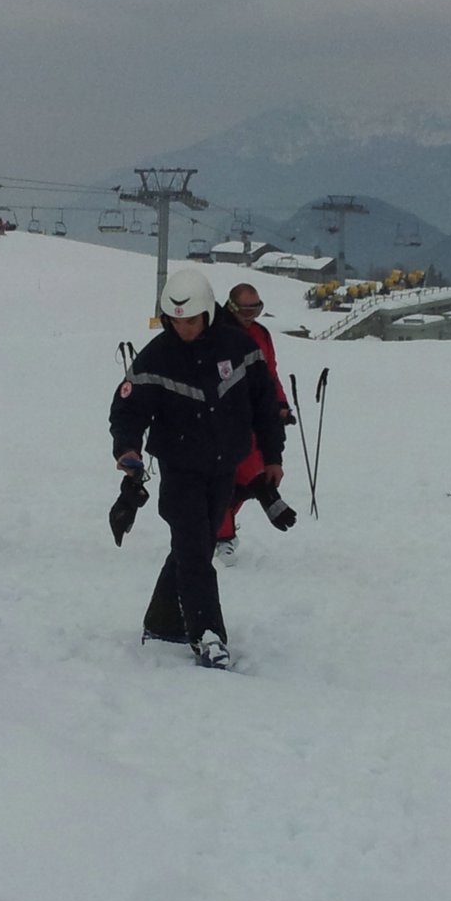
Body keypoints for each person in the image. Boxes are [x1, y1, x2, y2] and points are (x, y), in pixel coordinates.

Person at [109, 269, 286, 669]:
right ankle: (208, 635)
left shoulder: (240, 348)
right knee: (193, 548)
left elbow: (265, 406)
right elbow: (127, 410)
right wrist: (127, 450)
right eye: (175, 321)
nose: (183, 328)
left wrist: (272, 456)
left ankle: (163, 620)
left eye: (190, 320)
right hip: (180, 467)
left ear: (207, 312)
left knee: (199, 544)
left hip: (225, 465)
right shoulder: (156, 356)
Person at [213, 282, 296, 564]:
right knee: (225, 474)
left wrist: (281, 403)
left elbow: (270, 373)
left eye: (256, 308)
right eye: (244, 309)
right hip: (223, 415)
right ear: (231, 306)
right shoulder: (217, 332)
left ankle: (223, 528)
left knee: (249, 471)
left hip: (257, 414)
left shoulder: (261, 334)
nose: (250, 315)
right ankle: (223, 535)